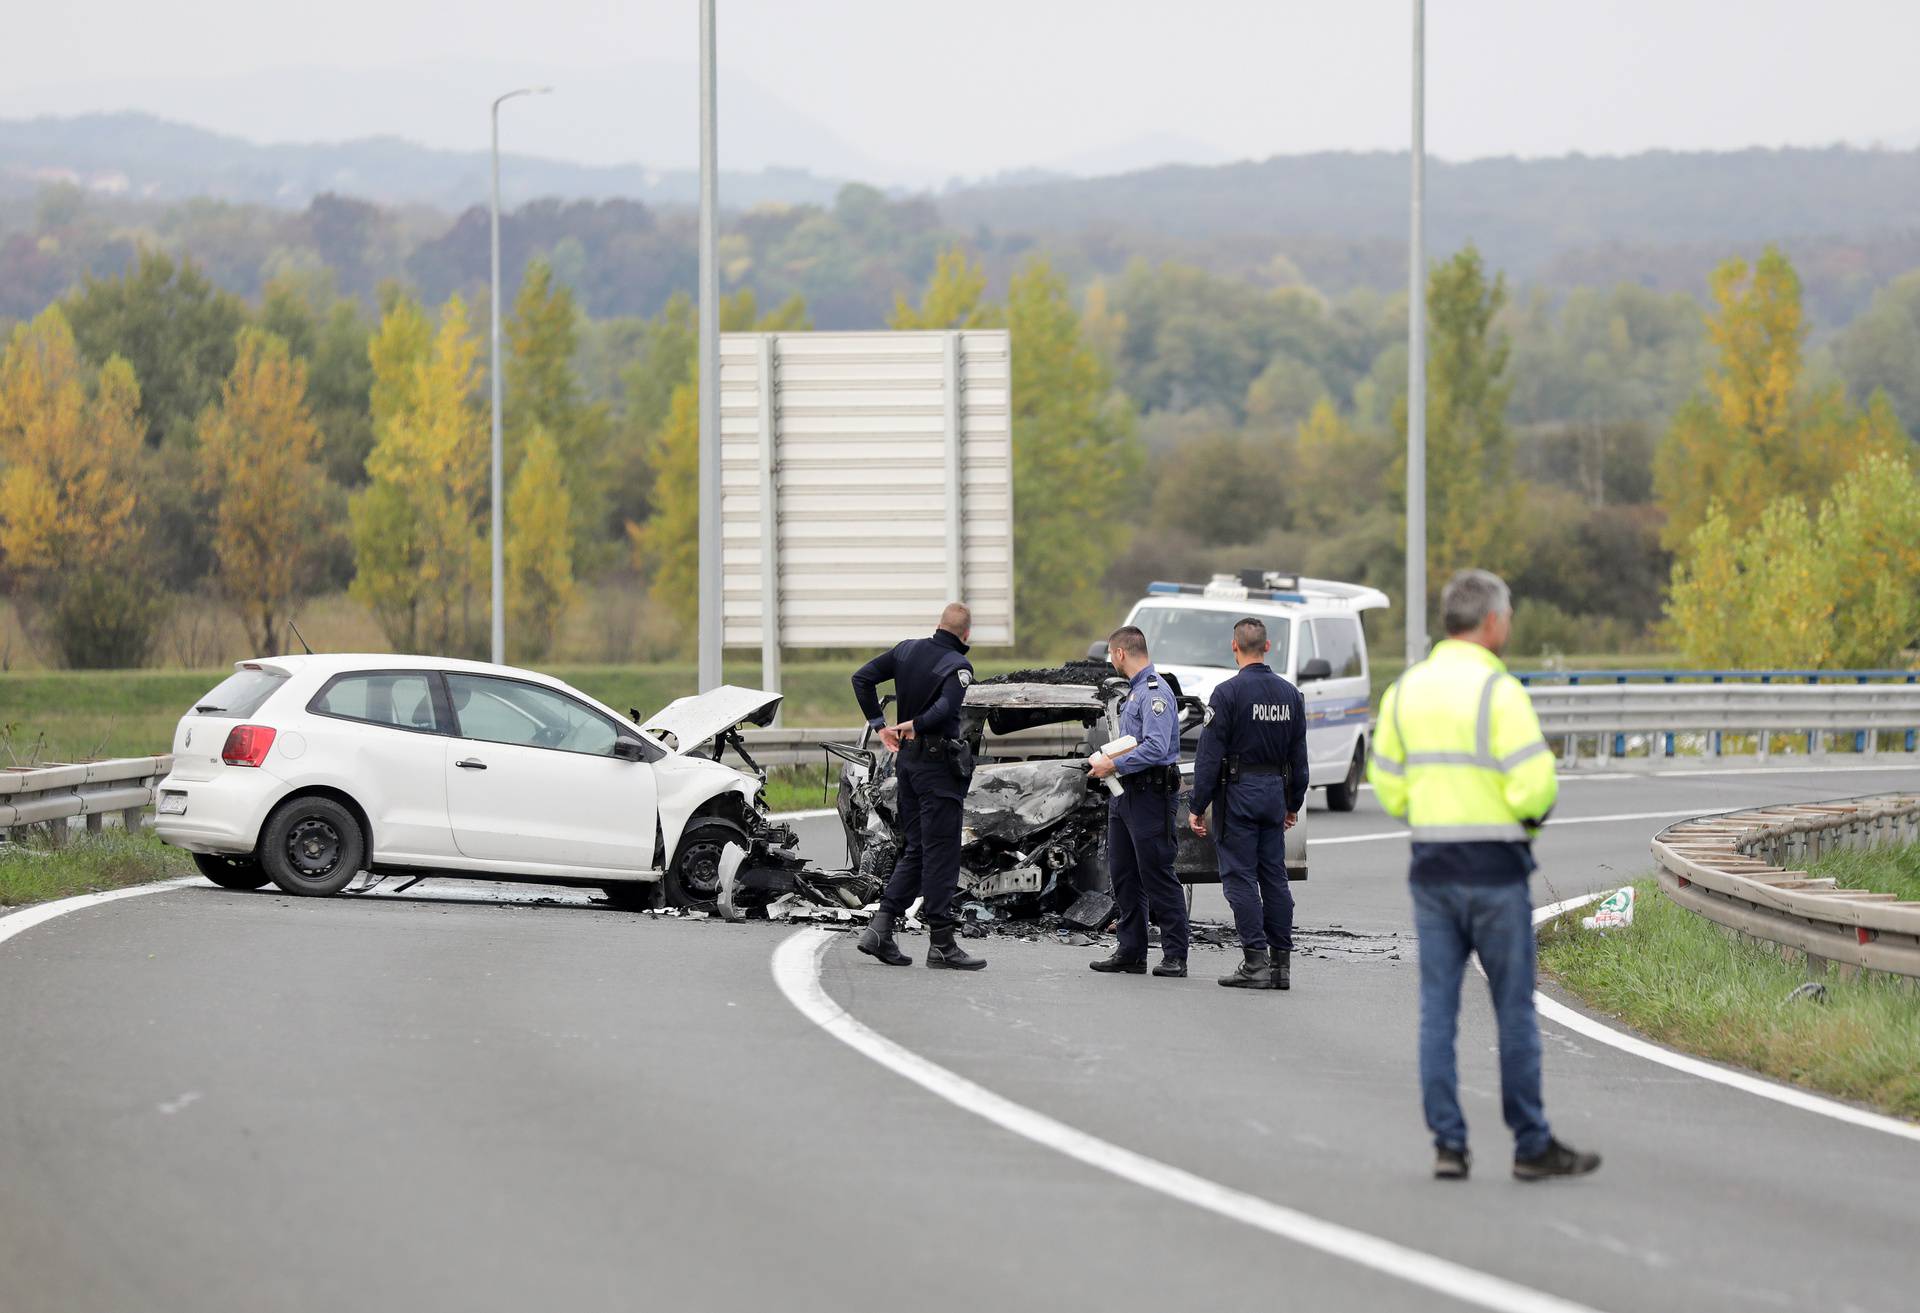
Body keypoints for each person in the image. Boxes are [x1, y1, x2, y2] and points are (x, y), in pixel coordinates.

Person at [1368, 569, 1600, 1182]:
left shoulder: (1407, 690)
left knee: (1437, 1012)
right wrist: (1519, 826)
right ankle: (1530, 1145)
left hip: (1432, 869)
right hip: (1496, 872)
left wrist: (1424, 814)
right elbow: (1536, 784)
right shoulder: (1500, 693)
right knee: (1513, 1011)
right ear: (1493, 621)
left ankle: (1449, 1144)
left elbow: (1387, 778)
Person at [850, 602, 986, 971]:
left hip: (907, 765)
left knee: (918, 849)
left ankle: (880, 929)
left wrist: (881, 724)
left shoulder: (906, 649)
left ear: (938, 625)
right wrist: (917, 723)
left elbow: (861, 678)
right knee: (941, 852)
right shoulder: (959, 666)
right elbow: (946, 708)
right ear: (966, 635)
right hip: (937, 767)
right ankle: (942, 943)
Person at [1188, 617, 1308, 990]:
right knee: (1274, 876)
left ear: (1234, 646)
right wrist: (1294, 802)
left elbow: (1209, 757)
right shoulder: (1291, 695)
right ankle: (1280, 966)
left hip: (1238, 794)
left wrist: (1197, 804)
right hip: (1273, 792)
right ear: (1268, 647)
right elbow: (1299, 758)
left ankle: (1254, 961)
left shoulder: (1226, 694)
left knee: (1239, 877)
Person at [1088, 626, 1190, 977]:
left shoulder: (1153, 692)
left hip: (1150, 796)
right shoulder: (1133, 693)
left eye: (1111, 657)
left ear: (1119, 654)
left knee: (1157, 874)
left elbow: (1157, 748)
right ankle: (1131, 951)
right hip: (1125, 794)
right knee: (1124, 876)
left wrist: (1112, 763)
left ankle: (1175, 955)